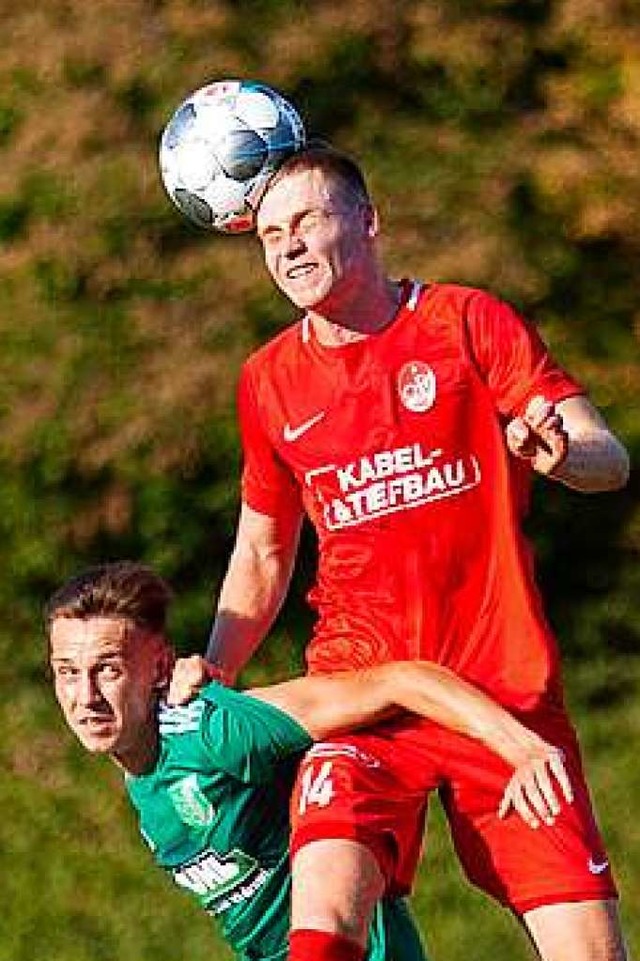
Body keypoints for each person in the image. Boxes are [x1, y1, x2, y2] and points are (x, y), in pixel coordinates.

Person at [178, 143, 631, 961]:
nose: (288, 246)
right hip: (365, 695)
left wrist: (565, 453)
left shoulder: (465, 322)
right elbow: (263, 549)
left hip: (505, 694)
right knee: (328, 902)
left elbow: (610, 455)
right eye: (271, 233)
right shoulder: (268, 380)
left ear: (369, 221)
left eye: (309, 220)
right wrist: (214, 670)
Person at [47, 561, 574, 961]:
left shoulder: (211, 729)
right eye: (67, 672)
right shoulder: (140, 771)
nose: (84, 696)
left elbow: (401, 680)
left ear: (160, 666)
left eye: (108, 670)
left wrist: (523, 746)